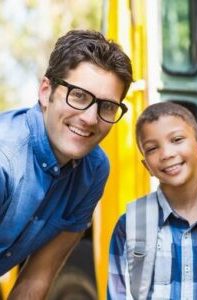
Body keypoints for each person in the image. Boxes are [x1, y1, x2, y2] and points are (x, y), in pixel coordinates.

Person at [0, 29, 133, 299]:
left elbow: (39, 275)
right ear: (45, 90)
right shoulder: (6, 161)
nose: (90, 118)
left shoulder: (94, 170)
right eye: (79, 96)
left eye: (107, 106)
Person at [108, 102, 197, 300]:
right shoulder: (130, 225)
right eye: (152, 148)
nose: (166, 154)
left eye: (176, 139)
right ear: (146, 166)